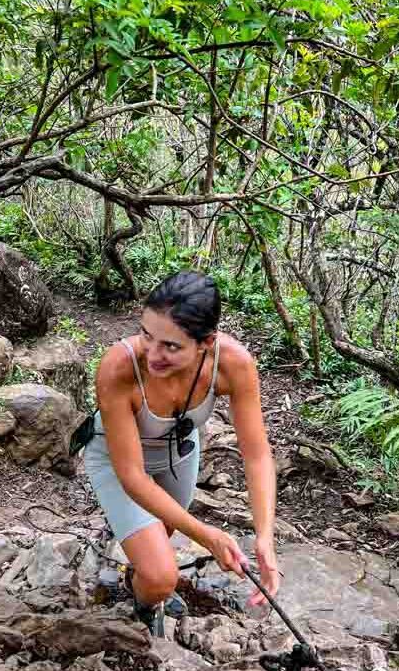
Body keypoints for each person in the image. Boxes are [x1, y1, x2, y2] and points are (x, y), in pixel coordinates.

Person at [83, 270, 279, 635]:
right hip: (117, 460)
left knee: (162, 534)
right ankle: (144, 601)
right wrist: (208, 536)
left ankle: (135, 579)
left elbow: (256, 455)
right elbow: (132, 476)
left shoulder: (233, 364)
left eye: (171, 347)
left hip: (179, 454)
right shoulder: (119, 366)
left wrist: (265, 537)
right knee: (160, 577)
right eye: (146, 335)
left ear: (206, 342)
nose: (153, 354)